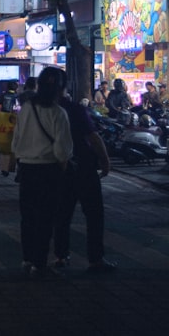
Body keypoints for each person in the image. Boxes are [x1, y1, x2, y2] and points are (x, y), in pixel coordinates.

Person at [11, 66, 72, 279]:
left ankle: (27, 259)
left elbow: (16, 139)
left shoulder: (27, 109)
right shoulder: (59, 113)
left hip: (26, 169)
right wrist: (62, 163)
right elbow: (62, 149)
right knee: (46, 218)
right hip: (48, 169)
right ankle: (39, 262)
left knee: (28, 217)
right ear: (60, 88)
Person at [53, 92, 116, 273]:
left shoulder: (43, 110)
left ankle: (61, 256)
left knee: (62, 214)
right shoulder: (75, 109)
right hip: (83, 166)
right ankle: (95, 259)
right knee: (94, 214)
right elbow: (93, 136)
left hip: (59, 167)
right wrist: (104, 160)